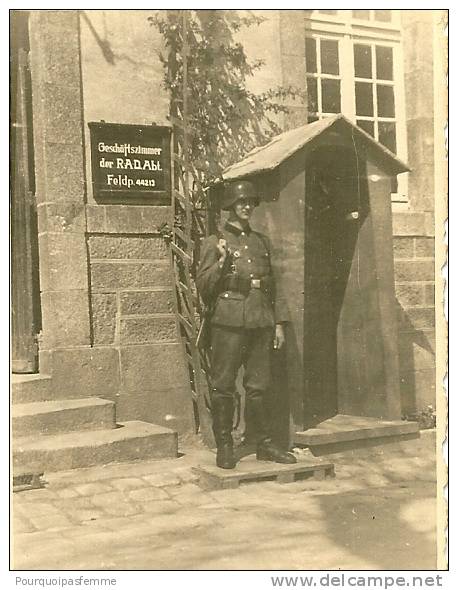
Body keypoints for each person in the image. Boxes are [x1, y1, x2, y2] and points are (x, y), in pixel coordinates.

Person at [196, 179, 297, 469]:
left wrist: (278, 323)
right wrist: (222, 262)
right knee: (224, 384)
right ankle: (225, 445)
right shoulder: (215, 243)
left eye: (250, 203)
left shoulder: (260, 241)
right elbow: (203, 285)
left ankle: (263, 443)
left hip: (260, 320)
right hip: (227, 321)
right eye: (241, 202)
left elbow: (272, 285)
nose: (246, 207)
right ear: (230, 206)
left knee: (259, 385)